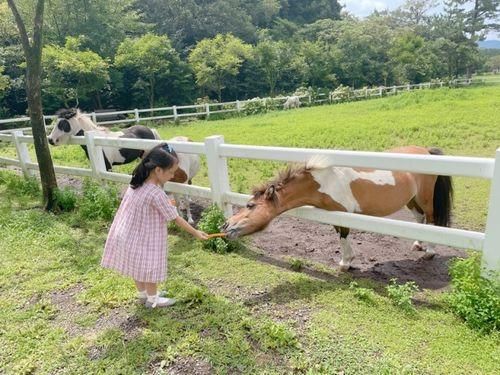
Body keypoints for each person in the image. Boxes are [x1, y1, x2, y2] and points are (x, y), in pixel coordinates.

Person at [101, 143, 208, 308]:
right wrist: (196, 233)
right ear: (158, 170)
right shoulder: (155, 193)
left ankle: (143, 295)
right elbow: (175, 218)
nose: (173, 176)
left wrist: (168, 202)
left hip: (127, 233)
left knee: (137, 266)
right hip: (144, 238)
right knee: (149, 268)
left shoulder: (137, 183)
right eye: (171, 172)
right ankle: (153, 299)